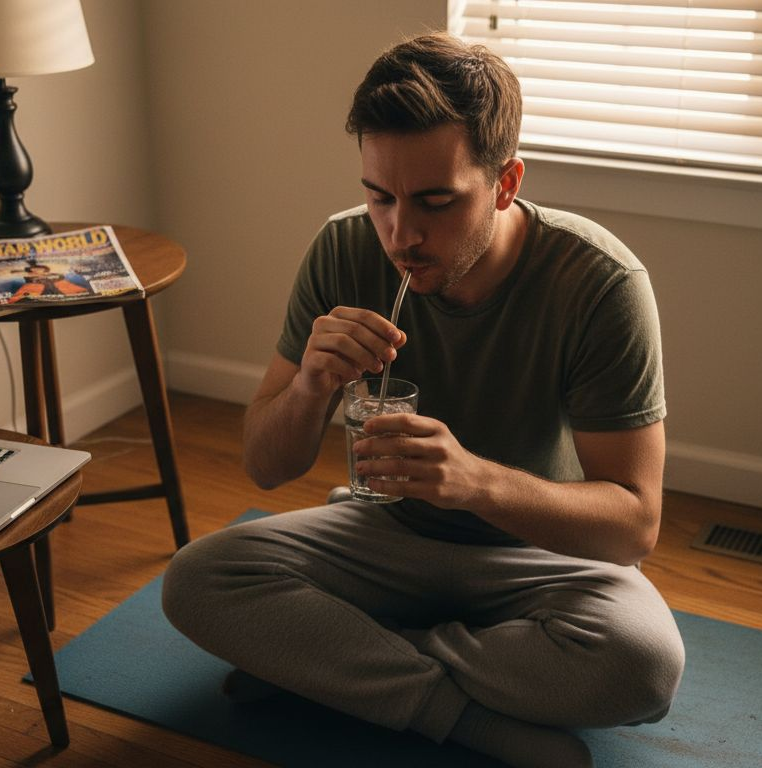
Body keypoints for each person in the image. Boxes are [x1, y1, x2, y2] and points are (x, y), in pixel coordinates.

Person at [162, 32, 684, 768]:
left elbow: (634, 525)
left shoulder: (599, 284)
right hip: (386, 538)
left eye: (436, 202)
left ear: (505, 184)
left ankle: (338, 669)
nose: (401, 234)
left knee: (641, 664)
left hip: (539, 553)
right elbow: (264, 466)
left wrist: (475, 481)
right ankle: (462, 717)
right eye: (379, 197)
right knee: (196, 580)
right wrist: (311, 386)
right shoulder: (343, 250)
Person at [7, 262, 89, 302]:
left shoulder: (54, 274)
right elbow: (14, 272)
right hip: (37, 292)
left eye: (39, 268)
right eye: (34, 269)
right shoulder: (29, 276)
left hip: (59, 289)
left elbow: (64, 275)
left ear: (44, 269)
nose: (36, 270)